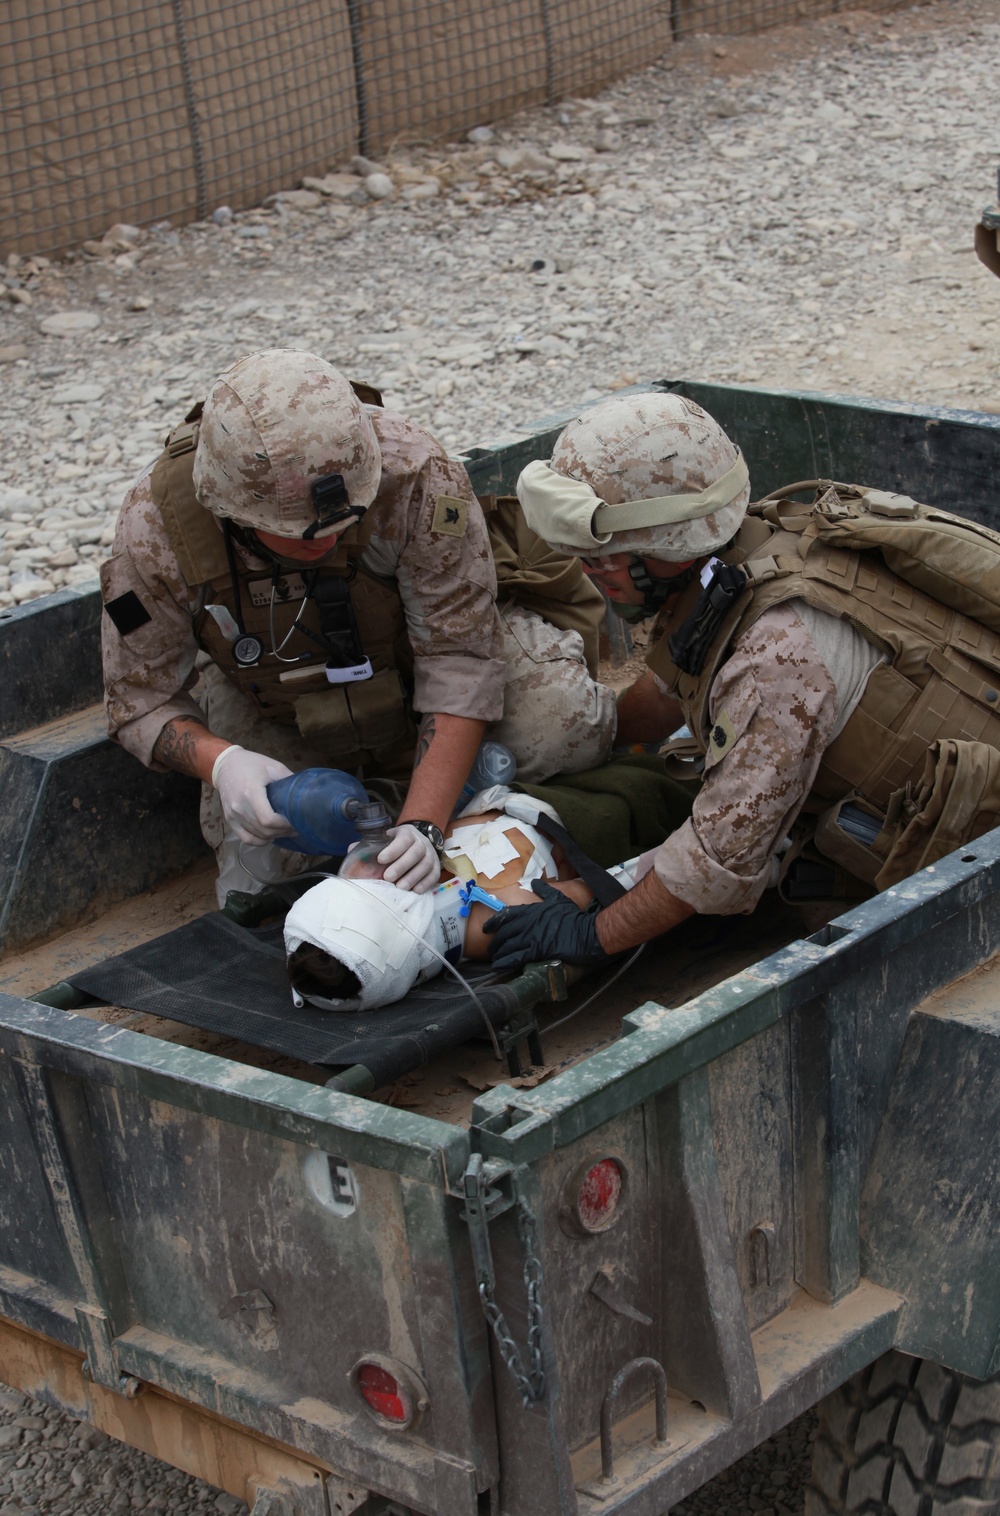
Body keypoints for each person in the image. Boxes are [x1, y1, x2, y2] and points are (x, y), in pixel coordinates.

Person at [482, 390, 1000, 974]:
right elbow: (677, 674)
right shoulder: (755, 542)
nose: (588, 573)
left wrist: (593, 934)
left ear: (664, 548)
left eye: (602, 560)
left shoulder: (774, 658)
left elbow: (715, 861)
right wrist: (588, 735)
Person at [100, 349, 615, 905]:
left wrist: (423, 826)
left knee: (565, 728)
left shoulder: (413, 473)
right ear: (235, 512)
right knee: (267, 865)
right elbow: (139, 700)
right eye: (300, 533)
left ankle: (461, 804)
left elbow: (461, 658)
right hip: (279, 697)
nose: (325, 539)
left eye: (346, 519)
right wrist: (222, 764)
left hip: (417, 662)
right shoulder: (157, 531)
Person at [284, 797, 599, 1011]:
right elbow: (608, 887)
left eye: (350, 878)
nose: (369, 860)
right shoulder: (501, 915)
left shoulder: (398, 856)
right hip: (576, 815)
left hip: (494, 795)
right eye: (368, 885)